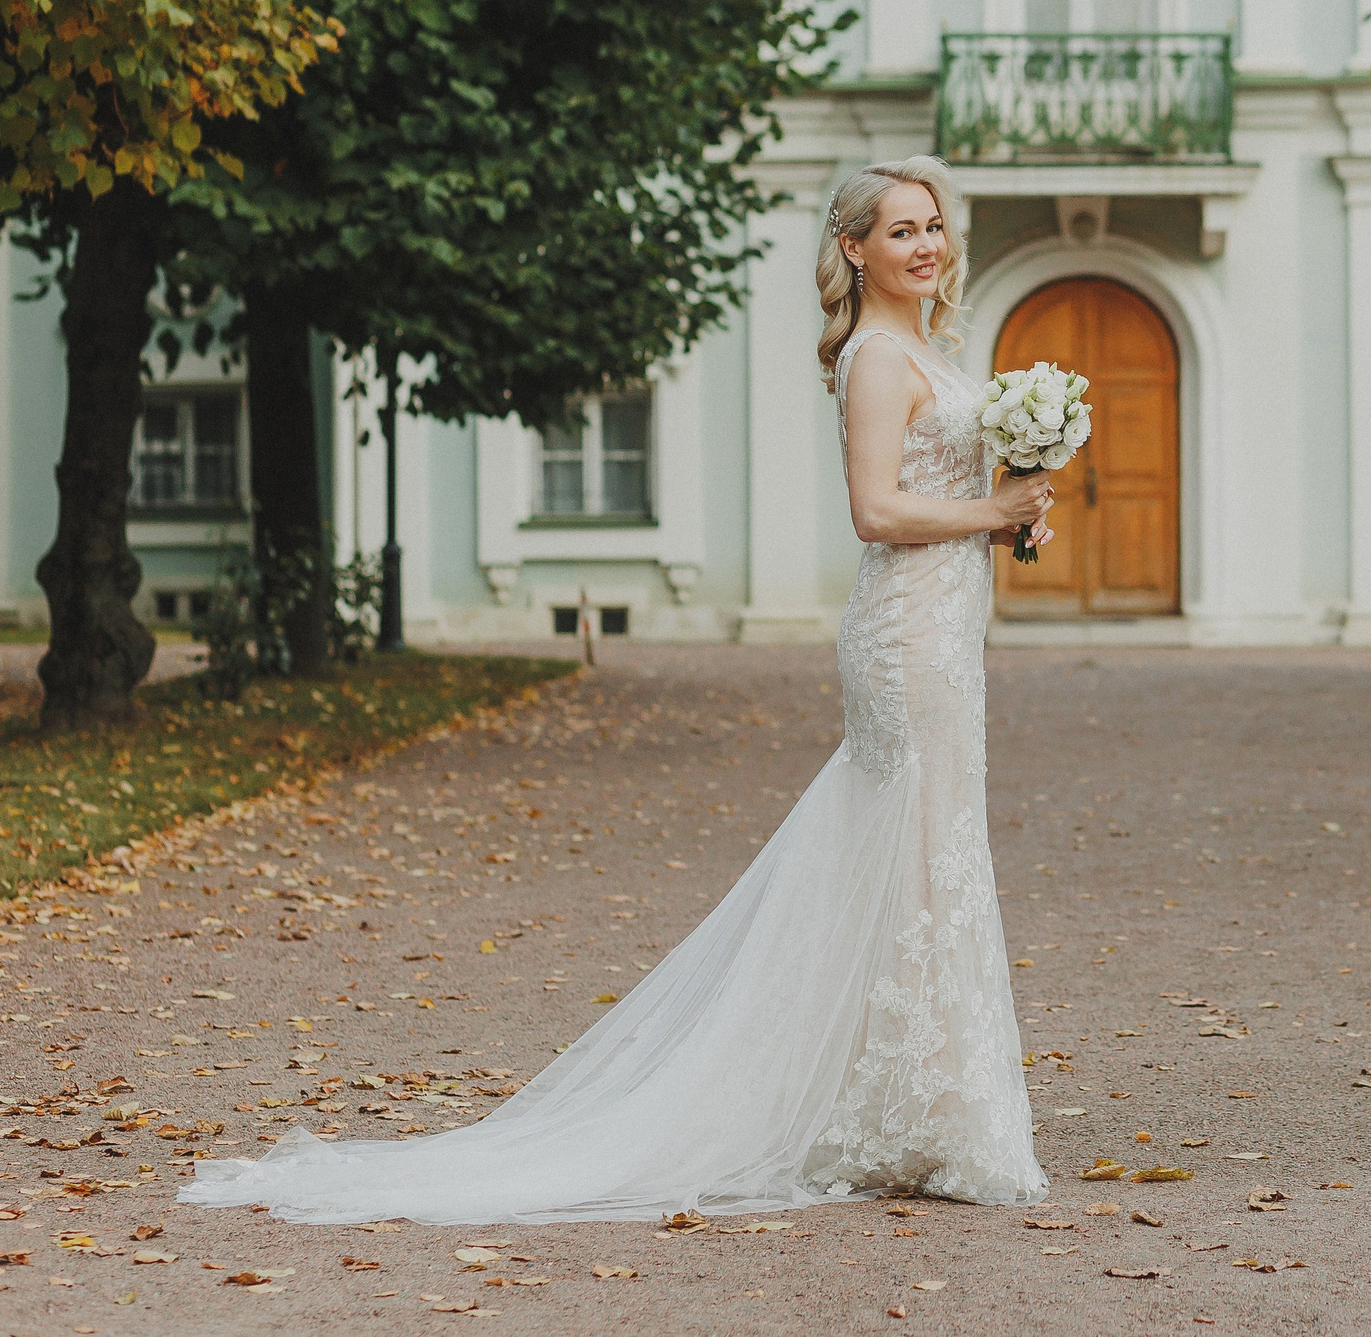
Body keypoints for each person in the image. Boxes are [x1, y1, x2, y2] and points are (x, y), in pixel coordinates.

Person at [176, 155, 1055, 1223]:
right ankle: (920, 1115)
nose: (925, 246)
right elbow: (875, 512)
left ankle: (915, 1109)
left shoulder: (930, 350)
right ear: (854, 249)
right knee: (914, 850)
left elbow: (941, 494)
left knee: (926, 855)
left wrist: (1012, 517)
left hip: (947, 627)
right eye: (901, 230)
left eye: (933, 227)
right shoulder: (875, 358)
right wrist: (993, 511)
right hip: (905, 635)